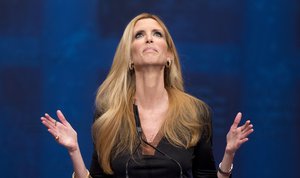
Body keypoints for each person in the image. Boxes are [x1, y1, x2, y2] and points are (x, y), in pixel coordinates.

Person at [41, 13, 254, 178]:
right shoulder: (109, 113)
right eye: (139, 35)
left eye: (157, 34)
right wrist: (74, 151)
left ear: (169, 56)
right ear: (130, 56)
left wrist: (229, 155)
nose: (149, 39)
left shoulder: (196, 112)